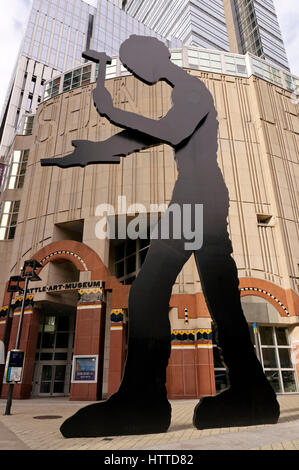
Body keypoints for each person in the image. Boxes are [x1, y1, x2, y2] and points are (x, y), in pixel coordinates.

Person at [41, 35, 279, 438]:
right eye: (132, 67)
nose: (139, 73)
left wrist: (115, 112)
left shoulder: (192, 89)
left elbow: (171, 131)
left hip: (199, 196)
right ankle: (247, 389)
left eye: (139, 64)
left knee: (153, 291)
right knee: (208, 294)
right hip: (193, 195)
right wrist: (90, 152)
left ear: (157, 57)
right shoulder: (181, 93)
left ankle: (145, 398)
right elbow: (140, 138)